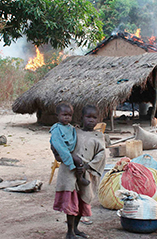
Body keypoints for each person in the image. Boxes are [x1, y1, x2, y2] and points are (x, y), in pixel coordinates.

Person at [53, 105, 106, 239]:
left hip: (86, 172)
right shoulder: (73, 132)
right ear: (81, 118)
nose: (91, 120)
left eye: (94, 118)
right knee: (72, 201)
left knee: (83, 200)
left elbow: (101, 155)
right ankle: (69, 232)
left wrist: (87, 166)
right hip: (69, 171)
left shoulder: (99, 136)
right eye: (88, 117)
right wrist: (57, 153)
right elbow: (59, 143)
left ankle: (76, 228)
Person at [50, 102, 90, 187]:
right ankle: (80, 178)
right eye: (64, 115)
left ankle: (80, 177)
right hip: (61, 153)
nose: (67, 117)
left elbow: (75, 138)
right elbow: (59, 146)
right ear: (57, 116)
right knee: (78, 160)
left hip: (69, 151)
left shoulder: (70, 128)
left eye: (69, 115)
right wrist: (70, 162)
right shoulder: (56, 129)